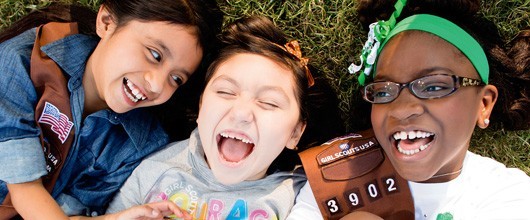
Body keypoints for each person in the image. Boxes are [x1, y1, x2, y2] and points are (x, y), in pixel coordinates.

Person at [288, 0, 530, 219]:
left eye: (434, 86)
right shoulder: (330, 183)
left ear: (483, 104)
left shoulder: (509, 194)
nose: (402, 108)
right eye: (383, 91)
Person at [105, 15, 345, 219]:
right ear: (201, 107)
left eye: (269, 102)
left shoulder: (303, 196)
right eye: (226, 92)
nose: (241, 113)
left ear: (295, 133)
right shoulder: (154, 170)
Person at [0, 0, 223, 218]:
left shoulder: (141, 143)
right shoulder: (24, 60)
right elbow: (24, 187)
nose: (157, 85)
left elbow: (68, 212)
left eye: (176, 79)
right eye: (154, 55)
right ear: (107, 22)